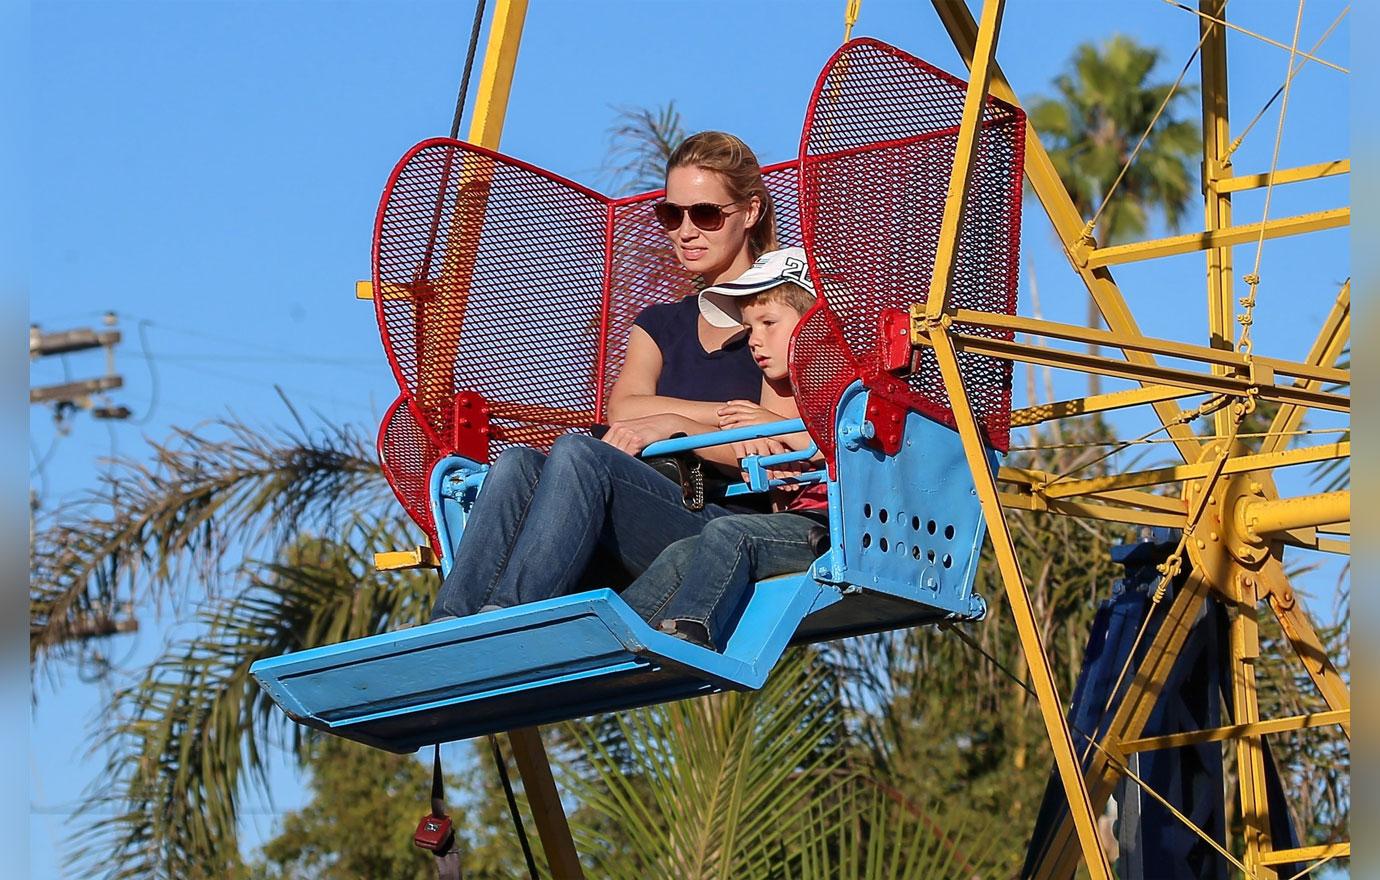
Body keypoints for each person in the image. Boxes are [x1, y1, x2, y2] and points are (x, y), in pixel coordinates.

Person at [429, 132, 782, 620]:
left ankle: (513, 615)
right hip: (652, 490)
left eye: (704, 214)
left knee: (581, 454)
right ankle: (453, 620)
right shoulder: (660, 324)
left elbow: (770, 442)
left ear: (750, 212)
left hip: (715, 512)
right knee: (514, 465)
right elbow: (625, 409)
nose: (685, 231)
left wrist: (673, 428)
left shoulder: (778, 319)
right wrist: (717, 422)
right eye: (670, 215)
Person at [618, 249, 828, 652]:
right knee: (683, 552)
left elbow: (840, 445)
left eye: (769, 323)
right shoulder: (784, 393)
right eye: (750, 329)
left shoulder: (842, 386)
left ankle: (694, 629)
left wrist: (774, 427)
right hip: (790, 523)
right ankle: (621, 633)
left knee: (726, 531)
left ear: (814, 321)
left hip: (829, 531)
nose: (756, 341)